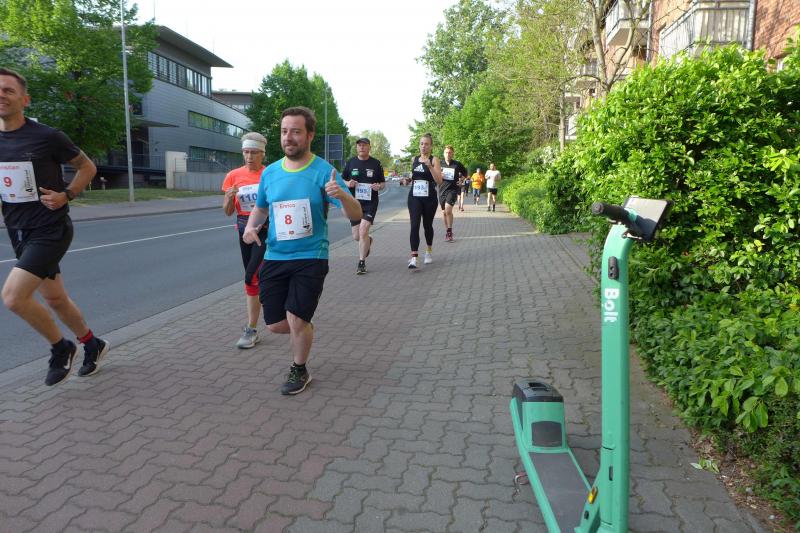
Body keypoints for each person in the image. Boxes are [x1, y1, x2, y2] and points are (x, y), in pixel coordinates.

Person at [0, 68, 109, 386]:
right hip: (17, 230)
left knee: (13, 297)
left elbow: (87, 167)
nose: (2, 95)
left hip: (50, 228)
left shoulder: (47, 136)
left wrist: (67, 195)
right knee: (56, 299)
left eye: (8, 90)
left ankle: (61, 348)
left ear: (25, 99)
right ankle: (92, 343)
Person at [242, 106, 361, 395]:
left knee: (296, 318)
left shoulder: (324, 172)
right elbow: (261, 208)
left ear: (309, 135)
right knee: (275, 325)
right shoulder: (271, 173)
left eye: (296, 131)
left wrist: (342, 195)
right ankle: (304, 327)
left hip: (311, 257)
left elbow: (356, 214)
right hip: (275, 256)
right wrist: (251, 227)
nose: (289, 137)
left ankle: (299, 368)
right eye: (284, 131)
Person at [222, 132, 268, 348]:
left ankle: (251, 329)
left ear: (262, 154)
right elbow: (227, 212)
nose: (249, 157)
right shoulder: (233, 176)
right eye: (246, 152)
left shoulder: (269, 174)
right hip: (243, 231)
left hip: (265, 231)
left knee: (251, 277)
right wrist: (229, 197)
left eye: (254, 152)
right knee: (256, 278)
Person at [342, 137, 384, 274]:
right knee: (356, 236)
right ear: (357, 147)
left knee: (363, 230)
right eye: (359, 145)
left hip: (370, 203)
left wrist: (378, 186)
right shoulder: (351, 162)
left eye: (364, 145)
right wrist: (348, 183)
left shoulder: (376, 163)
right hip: (354, 204)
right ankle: (368, 241)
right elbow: (342, 180)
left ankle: (361, 263)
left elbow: (382, 183)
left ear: (369, 147)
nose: (361, 147)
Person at [400, 133, 442, 268]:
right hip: (414, 196)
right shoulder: (414, 159)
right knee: (414, 225)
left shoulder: (434, 160)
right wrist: (407, 180)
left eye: (426, 144)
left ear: (431, 146)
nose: (423, 146)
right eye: (422, 144)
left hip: (429, 198)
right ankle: (414, 257)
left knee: (427, 225)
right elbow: (414, 176)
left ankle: (428, 251)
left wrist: (430, 166)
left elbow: (439, 181)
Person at [438, 145, 467, 242]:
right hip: (442, 190)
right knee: (444, 212)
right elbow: (433, 174)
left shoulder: (457, 164)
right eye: (446, 152)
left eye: (450, 153)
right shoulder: (439, 163)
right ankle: (447, 231)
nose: (448, 154)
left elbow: (465, 173)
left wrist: (461, 180)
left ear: (452, 154)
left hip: (453, 189)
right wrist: (439, 175)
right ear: (444, 153)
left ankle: (450, 231)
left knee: (448, 209)